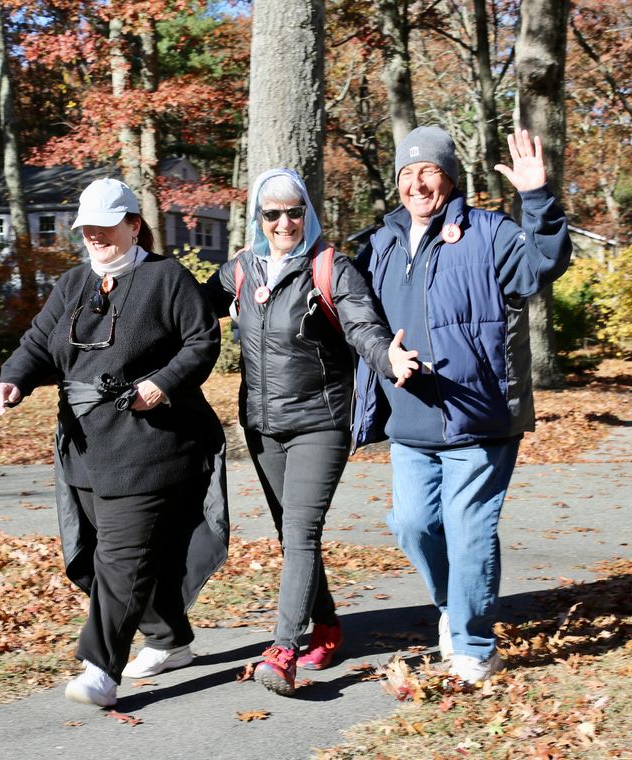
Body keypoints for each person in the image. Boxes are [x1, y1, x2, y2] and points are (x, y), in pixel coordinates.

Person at [0, 178, 227, 708]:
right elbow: (37, 344)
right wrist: (14, 380)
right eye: (86, 229)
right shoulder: (73, 284)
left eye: (105, 227)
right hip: (84, 448)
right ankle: (170, 639)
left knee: (121, 558)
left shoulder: (167, 279)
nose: (94, 236)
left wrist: (160, 384)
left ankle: (99, 669)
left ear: (134, 225)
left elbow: (201, 341)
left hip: (149, 445)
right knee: (104, 558)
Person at [353, 125, 572, 684]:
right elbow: (347, 307)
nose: (417, 183)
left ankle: (474, 643)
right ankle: (455, 603)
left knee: (469, 527)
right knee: (412, 524)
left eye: (429, 171)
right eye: (407, 173)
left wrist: (536, 198)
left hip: (478, 413)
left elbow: (543, 264)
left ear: (450, 178)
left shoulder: (489, 232)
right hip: (411, 418)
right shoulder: (379, 243)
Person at [203, 168, 418, 696]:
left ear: (308, 213)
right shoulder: (241, 271)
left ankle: (283, 651)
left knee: (301, 533)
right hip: (261, 425)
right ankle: (326, 627)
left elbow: (363, 325)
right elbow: (185, 312)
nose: (283, 222)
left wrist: (387, 356)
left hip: (320, 422)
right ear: (259, 217)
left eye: (293, 211)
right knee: (289, 534)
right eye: (272, 213)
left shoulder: (330, 268)